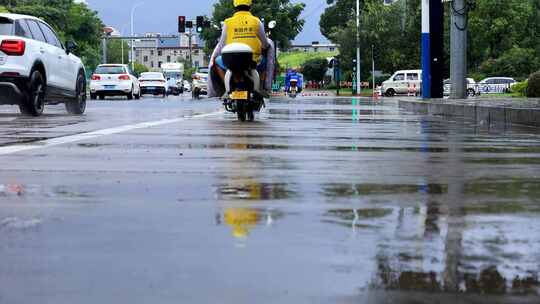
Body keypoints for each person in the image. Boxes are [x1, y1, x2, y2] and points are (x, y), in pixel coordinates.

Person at [209, 0, 271, 97]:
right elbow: (265, 43)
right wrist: (265, 46)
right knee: (264, 63)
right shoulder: (256, 21)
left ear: (235, 8)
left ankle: (226, 90)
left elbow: (221, 44)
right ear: (250, 7)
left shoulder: (227, 22)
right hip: (252, 60)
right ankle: (261, 88)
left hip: (231, 60)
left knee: (216, 62)